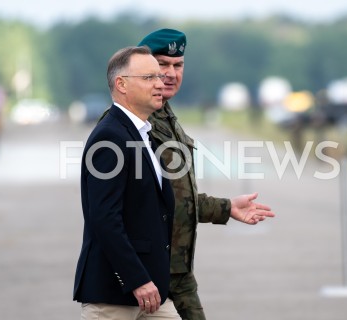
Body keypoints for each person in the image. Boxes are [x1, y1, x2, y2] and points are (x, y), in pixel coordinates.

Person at [138, 28, 275, 320]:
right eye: (163, 64)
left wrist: (228, 208)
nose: (172, 73)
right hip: (147, 273)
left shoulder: (166, 116)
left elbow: (175, 198)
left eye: (178, 65)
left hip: (178, 271)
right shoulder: (136, 124)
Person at [73, 46, 181, 320]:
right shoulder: (109, 137)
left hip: (152, 291)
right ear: (121, 84)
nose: (160, 83)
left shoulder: (143, 134)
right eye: (149, 78)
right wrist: (135, 279)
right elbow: (104, 218)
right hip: (114, 296)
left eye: (159, 76)